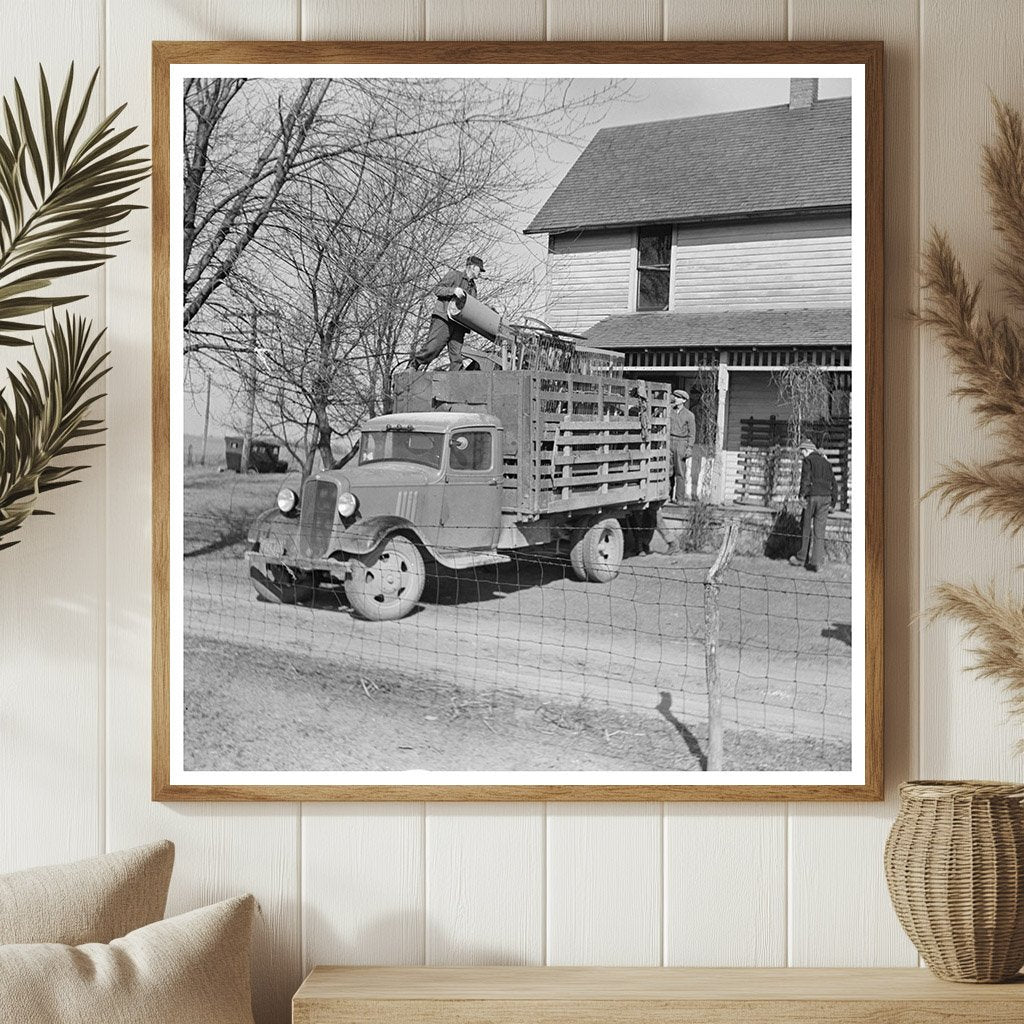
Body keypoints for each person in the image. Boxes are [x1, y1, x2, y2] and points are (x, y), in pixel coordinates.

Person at [410, 256, 485, 371]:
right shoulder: (455, 275)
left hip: (460, 323)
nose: (480, 273)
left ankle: (457, 377)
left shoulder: (473, 288)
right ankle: (414, 363)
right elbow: (438, 289)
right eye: (480, 269)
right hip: (444, 318)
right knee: (433, 347)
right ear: (473, 267)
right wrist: (453, 291)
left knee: (456, 355)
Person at [789, 438, 838, 572]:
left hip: (812, 497)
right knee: (819, 531)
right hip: (826, 498)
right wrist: (833, 502)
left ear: (808, 450)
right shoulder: (827, 463)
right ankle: (816, 563)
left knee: (805, 526)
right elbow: (834, 484)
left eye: (802, 452)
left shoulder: (808, 460)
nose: (802, 455)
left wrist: (801, 496)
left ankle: (801, 558)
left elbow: (805, 479)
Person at [669, 389, 696, 502]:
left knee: (680, 472)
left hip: (681, 443)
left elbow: (692, 433)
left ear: (684, 400)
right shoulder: (670, 411)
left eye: (678, 397)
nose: (675, 398)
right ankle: (667, 497)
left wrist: (689, 447)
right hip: (670, 441)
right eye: (675, 396)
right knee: (668, 471)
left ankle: (679, 498)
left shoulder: (689, 415)